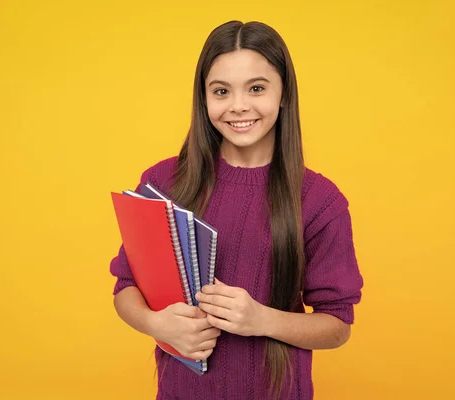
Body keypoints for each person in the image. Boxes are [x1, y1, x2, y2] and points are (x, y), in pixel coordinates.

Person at [109, 20, 364, 400]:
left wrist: (262, 319)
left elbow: (337, 325)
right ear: (204, 98)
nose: (238, 106)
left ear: (283, 94)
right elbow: (126, 286)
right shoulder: (164, 182)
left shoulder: (319, 200)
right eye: (221, 91)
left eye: (257, 88)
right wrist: (155, 324)